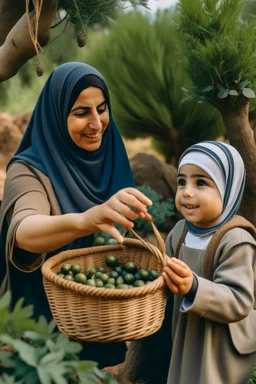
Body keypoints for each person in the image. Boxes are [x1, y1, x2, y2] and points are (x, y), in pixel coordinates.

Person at [0, 62, 152, 368]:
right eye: (81, 112)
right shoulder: (28, 170)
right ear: (56, 115)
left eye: (102, 108)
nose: (97, 123)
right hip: (40, 340)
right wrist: (88, 219)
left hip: (103, 327)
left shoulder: (110, 158)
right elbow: (24, 231)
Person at [162, 141, 256, 384]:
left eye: (201, 183)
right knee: (185, 371)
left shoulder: (236, 239)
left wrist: (194, 287)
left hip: (221, 338)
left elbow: (240, 300)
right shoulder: (180, 231)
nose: (187, 192)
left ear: (228, 190)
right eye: (182, 181)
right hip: (186, 329)